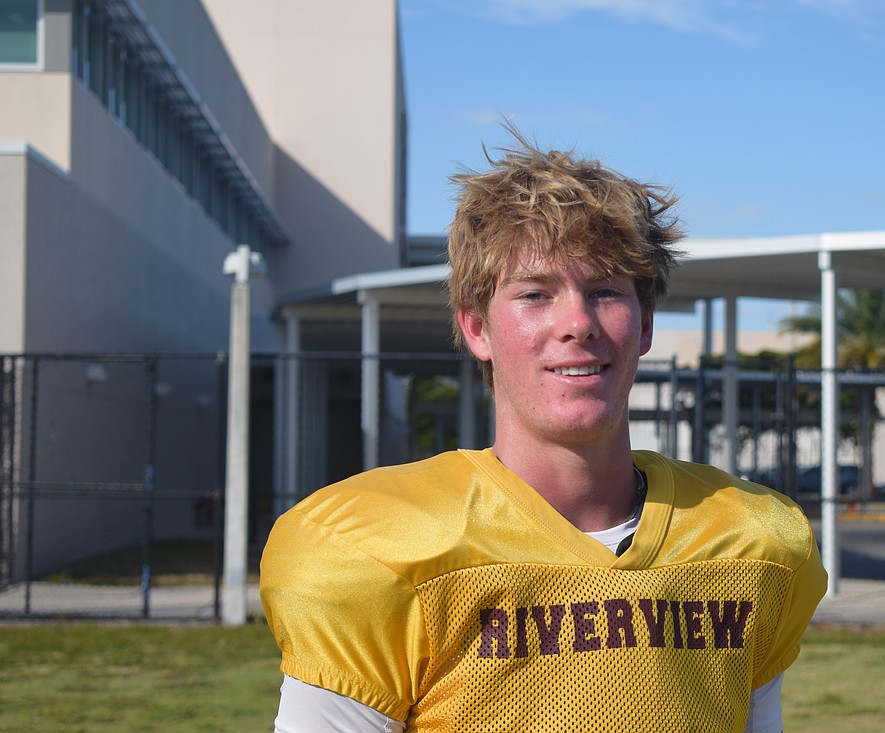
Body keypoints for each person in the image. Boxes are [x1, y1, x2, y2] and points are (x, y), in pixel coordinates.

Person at [260, 130, 828, 732]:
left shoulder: (752, 541)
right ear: (477, 328)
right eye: (535, 294)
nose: (578, 323)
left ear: (645, 326)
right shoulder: (375, 550)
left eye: (606, 291)